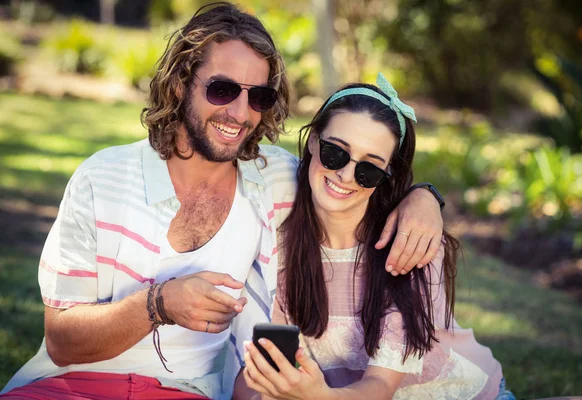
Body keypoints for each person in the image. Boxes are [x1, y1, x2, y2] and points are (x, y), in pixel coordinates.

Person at [0, 3, 445, 400]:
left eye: (260, 96)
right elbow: (61, 342)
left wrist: (424, 199)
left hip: (183, 391)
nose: (239, 112)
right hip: (69, 386)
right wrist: (159, 304)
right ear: (178, 85)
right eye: (222, 89)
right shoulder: (101, 179)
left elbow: (352, 174)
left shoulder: (274, 179)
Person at [238, 74, 516, 400]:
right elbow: (257, 377)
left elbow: (380, 388)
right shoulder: (282, 243)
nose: (345, 175)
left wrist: (317, 397)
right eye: (335, 153)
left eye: (368, 169)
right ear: (314, 141)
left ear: (386, 176)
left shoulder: (410, 245)